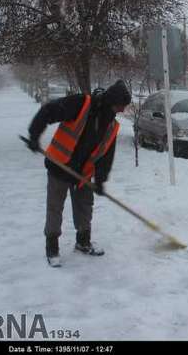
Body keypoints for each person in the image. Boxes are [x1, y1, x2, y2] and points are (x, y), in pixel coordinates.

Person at [26, 80, 132, 267]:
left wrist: (100, 180)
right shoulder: (81, 103)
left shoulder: (112, 126)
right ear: (111, 101)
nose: (122, 111)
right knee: (55, 208)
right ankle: (52, 248)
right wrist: (34, 135)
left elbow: (106, 156)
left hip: (83, 174)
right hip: (60, 166)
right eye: (120, 106)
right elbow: (49, 111)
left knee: (85, 206)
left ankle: (83, 242)